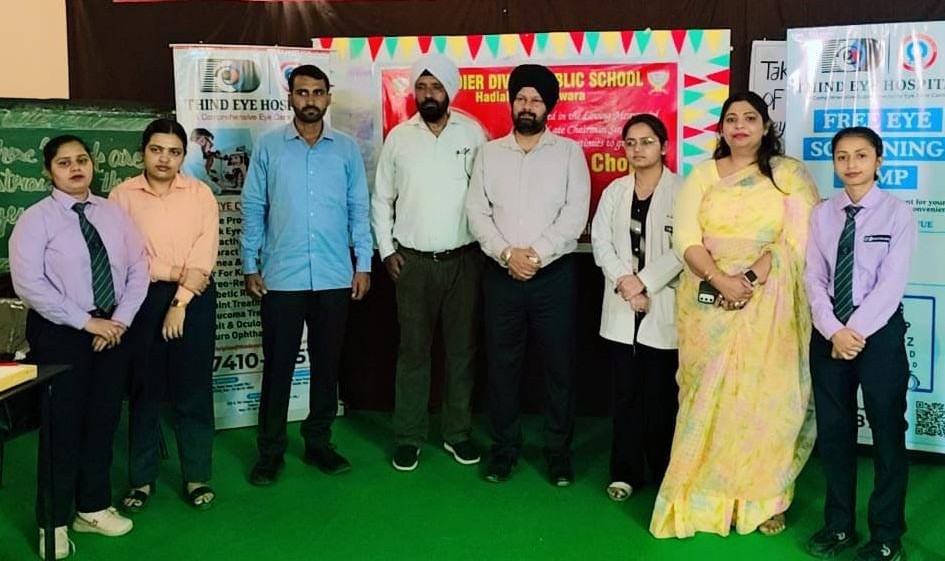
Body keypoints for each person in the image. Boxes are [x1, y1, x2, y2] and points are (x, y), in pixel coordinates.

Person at [650, 91, 819, 538]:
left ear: (766, 126)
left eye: (749, 118)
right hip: (708, 303)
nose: (739, 125)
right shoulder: (703, 175)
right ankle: (704, 501)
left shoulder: (789, 176)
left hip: (770, 305)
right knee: (707, 400)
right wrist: (720, 280)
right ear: (722, 128)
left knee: (766, 403)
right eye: (731, 119)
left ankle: (764, 502)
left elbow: (798, 240)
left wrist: (749, 278)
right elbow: (686, 238)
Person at [9, 135, 149, 558]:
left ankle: (92, 508)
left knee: (103, 421)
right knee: (62, 428)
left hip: (114, 331)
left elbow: (139, 266)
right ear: (48, 170)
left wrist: (119, 320)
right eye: (64, 162)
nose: (75, 168)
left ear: (92, 165)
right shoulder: (36, 219)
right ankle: (52, 522)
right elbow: (29, 284)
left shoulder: (113, 213)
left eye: (82, 160)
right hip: (62, 333)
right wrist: (87, 322)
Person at [241, 64, 372, 486]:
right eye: (302, 92)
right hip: (282, 276)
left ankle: (319, 443)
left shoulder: (346, 150)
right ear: (290, 97)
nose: (310, 100)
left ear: (328, 97)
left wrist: (363, 264)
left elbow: (359, 209)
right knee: (278, 366)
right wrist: (249, 263)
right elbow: (253, 207)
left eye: (318, 92)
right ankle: (270, 452)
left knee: (327, 365)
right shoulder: (269, 147)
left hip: (334, 275)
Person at [465, 64, 590, 486]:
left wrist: (534, 255)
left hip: (554, 277)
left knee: (559, 367)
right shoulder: (489, 153)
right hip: (501, 275)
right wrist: (507, 254)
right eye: (521, 98)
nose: (527, 106)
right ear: (511, 102)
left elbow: (575, 214)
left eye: (536, 100)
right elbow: (476, 212)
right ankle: (504, 449)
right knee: (502, 366)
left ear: (548, 107)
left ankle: (558, 452)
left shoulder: (569, 153)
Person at [804, 127, 915, 561]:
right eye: (842, 156)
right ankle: (838, 526)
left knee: (887, 434)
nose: (851, 164)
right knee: (834, 433)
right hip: (829, 333)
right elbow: (814, 277)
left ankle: (886, 535)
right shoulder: (822, 214)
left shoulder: (897, 214)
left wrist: (854, 332)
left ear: (878, 161)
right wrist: (833, 330)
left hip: (879, 333)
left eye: (861, 155)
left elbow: (892, 284)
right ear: (834, 162)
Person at [372, 54, 487, 471]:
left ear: (450, 90)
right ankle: (408, 436)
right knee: (413, 352)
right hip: (413, 265)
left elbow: (487, 196)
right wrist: (386, 250)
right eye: (421, 87)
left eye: (436, 87)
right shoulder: (399, 138)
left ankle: (457, 433)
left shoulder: (473, 133)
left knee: (462, 352)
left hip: (464, 262)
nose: (428, 95)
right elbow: (381, 198)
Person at [109, 118, 220, 513]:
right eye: (156, 150)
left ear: (183, 156)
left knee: (193, 388)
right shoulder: (121, 196)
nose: (164, 159)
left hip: (195, 297)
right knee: (145, 389)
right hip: (141, 296)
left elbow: (204, 254)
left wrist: (180, 302)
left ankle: (196, 475)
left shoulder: (200, 193)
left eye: (174, 152)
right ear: (143, 151)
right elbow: (125, 256)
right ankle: (141, 479)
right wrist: (174, 275)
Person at [590, 113, 682, 502]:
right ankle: (625, 472)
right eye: (631, 143)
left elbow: (686, 247)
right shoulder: (616, 191)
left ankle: (664, 473)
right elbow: (600, 241)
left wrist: (645, 282)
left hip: (663, 302)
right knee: (625, 395)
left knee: (661, 397)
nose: (638, 149)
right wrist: (628, 285)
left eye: (647, 142)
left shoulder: (683, 191)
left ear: (664, 147)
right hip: (623, 303)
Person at [183, 128, 220, 194]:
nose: (210, 148)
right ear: (202, 140)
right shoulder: (195, 148)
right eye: (210, 144)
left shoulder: (187, 148)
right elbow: (202, 177)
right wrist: (218, 190)